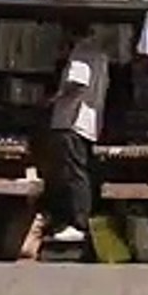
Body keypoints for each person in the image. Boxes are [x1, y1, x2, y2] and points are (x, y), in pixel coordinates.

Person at [46, 22, 110, 243]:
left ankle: (78, 223)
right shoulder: (101, 56)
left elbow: (77, 83)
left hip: (71, 120)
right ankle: (79, 220)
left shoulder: (81, 53)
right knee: (79, 170)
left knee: (74, 173)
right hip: (88, 122)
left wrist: (54, 99)